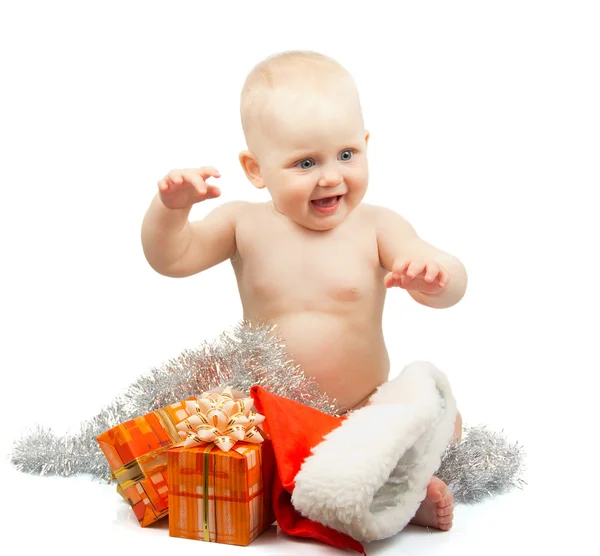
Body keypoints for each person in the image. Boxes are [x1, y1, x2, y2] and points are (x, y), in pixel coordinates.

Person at [141, 50, 467, 532]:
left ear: (366, 143)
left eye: (347, 154)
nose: (331, 176)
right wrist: (171, 210)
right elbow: (171, 259)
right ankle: (376, 493)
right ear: (256, 169)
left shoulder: (377, 226)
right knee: (240, 444)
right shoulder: (242, 224)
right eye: (305, 162)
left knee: (430, 413)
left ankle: (399, 489)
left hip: (361, 407)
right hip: (274, 413)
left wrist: (434, 276)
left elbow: (452, 282)